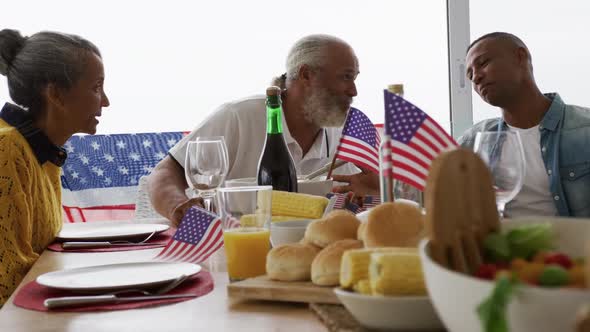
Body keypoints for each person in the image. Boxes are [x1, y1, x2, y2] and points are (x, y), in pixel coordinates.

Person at [148, 34, 379, 225]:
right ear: (307, 75)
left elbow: (360, 198)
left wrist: (376, 193)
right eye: (346, 77)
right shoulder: (239, 116)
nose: (354, 91)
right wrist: (176, 206)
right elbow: (166, 172)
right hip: (231, 249)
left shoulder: (346, 135)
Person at [0, 29, 109, 305]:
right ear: (56, 95)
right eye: (96, 87)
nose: (105, 101)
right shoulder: (6, 150)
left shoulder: (43, 152)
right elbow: (8, 283)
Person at [459, 32, 590, 217]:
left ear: (520, 57)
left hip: (576, 244)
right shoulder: (473, 141)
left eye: (483, 63)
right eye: (470, 75)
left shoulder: (585, 129)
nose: (476, 77)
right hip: (500, 244)